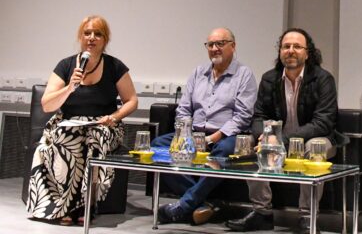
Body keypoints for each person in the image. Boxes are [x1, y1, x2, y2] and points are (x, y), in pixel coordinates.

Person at [226, 28, 346, 232]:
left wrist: (280, 138)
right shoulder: (269, 78)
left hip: (316, 139)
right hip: (276, 141)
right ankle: (261, 213)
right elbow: (258, 116)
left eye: (297, 46)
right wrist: (264, 136)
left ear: (307, 53)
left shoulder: (323, 79)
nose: (291, 51)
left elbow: (323, 123)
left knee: (314, 146)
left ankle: (307, 217)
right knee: (248, 143)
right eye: (286, 46)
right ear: (280, 51)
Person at [27, 15, 138, 226]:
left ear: (105, 40)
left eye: (98, 34)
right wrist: (70, 87)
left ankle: (87, 204)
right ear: (80, 37)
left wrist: (114, 117)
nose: (92, 38)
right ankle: (64, 205)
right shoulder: (66, 65)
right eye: (87, 33)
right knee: (65, 136)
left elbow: (132, 100)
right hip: (70, 123)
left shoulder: (115, 66)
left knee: (95, 136)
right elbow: (47, 105)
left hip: (104, 124)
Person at [154, 27, 257, 225]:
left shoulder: (244, 75)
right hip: (194, 133)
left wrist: (212, 138)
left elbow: (242, 117)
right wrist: (185, 135)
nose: (215, 48)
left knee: (224, 150)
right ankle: (204, 204)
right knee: (158, 146)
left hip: (226, 136)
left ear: (233, 46)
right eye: (210, 44)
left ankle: (185, 205)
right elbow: (183, 109)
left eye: (220, 43)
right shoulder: (198, 72)